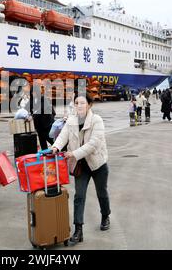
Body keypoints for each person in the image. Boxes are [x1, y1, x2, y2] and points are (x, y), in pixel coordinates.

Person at [51, 94, 110, 244]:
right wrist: (56, 147)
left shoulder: (97, 120)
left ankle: (105, 215)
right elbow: (63, 136)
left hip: (97, 163)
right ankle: (78, 230)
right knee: (79, 196)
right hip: (80, 166)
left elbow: (94, 144)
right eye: (76, 103)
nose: (79, 105)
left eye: (82, 103)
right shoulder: (71, 121)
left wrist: (74, 154)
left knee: (101, 192)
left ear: (89, 105)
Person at [24, 84, 56, 151]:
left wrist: (32, 116)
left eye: (35, 92)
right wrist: (22, 114)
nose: (33, 93)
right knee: (42, 142)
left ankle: (59, 152)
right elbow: (26, 109)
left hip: (47, 124)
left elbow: (42, 109)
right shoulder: (32, 100)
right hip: (39, 125)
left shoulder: (43, 98)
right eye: (32, 92)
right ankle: (45, 156)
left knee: (51, 140)